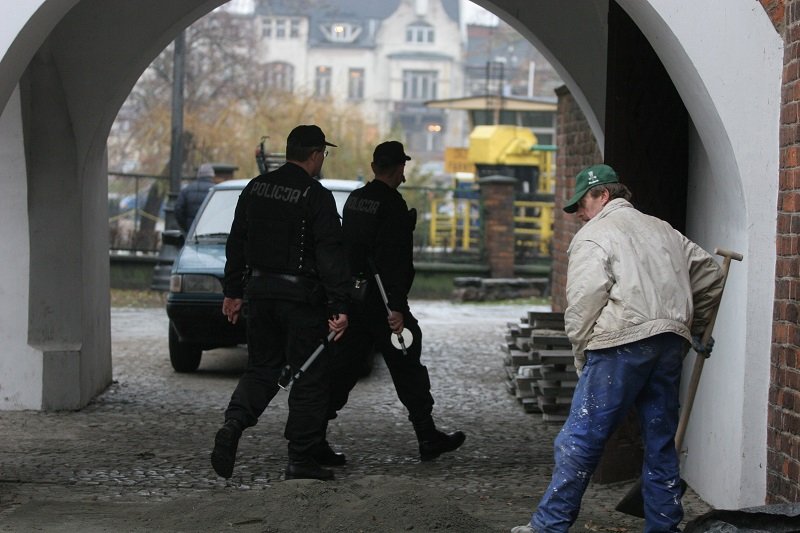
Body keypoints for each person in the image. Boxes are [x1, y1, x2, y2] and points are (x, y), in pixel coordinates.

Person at [512, 164, 725, 533]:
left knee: (580, 438)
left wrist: (582, 355)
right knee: (660, 443)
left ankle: (548, 526)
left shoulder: (595, 234)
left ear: (603, 195)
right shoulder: (664, 230)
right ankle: (663, 526)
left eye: (581, 203)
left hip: (620, 346)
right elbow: (710, 273)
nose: (578, 213)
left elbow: (582, 304)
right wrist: (695, 328)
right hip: (669, 343)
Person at [211, 125, 350, 482]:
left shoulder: (255, 188)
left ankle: (234, 423)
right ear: (316, 155)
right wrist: (339, 305)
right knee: (308, 377)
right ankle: (301, 459)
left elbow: (236, 242)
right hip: (300, 301)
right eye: (323, 154)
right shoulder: (315, 195)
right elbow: (329, 253)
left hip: (259, 294)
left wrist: (233, 291)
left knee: (261, 369)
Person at [318, 140, 465, 467]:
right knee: (407, 361)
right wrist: (396, 306)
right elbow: (397, 262)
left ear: (373, 167)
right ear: (399, 168)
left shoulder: (355, 200)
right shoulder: (393, 206)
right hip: (383, 304)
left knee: (343, 368)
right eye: (402, 168)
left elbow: (345, 250)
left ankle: (311, 436)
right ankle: (427, 435)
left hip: (355, 298)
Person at [174, 163, 218, 233]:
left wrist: (186, 226)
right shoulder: (216, 190)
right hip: (211, 231)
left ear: (198, 175)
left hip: (191, 230)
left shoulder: (187, 190)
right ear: (212, 175)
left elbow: (178, 209)